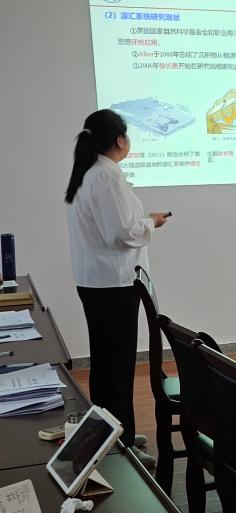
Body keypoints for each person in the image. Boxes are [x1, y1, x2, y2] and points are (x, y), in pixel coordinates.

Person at [65, 110, 170, 468]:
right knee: (117, 365)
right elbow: (121, 234)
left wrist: (143, 222)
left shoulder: (89, 172)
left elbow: (114, 227)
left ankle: (113, 433)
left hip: (97, 281)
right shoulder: (106, 175)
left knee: (107, 363)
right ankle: (120, 443)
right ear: (120, 140)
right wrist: (151, 222)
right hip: (113, 284)